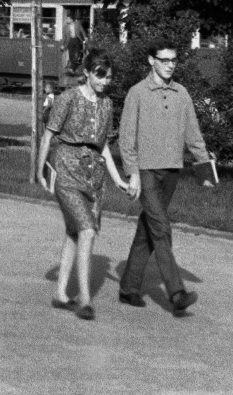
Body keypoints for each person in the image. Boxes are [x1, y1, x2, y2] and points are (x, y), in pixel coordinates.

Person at [117, 45, 211, 316]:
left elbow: (194, 134)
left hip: (172, 170)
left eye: (174, 60)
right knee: (161, 226)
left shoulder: (181, 93)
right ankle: (176, 292)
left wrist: (204, 170)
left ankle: (129, 287)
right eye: (164, 60)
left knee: (148, 228)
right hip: (146, 170)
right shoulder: (137, 93)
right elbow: (126, 137)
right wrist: (132, 172)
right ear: (151, 61)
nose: (170, 65)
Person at [35, 57, 131, 320]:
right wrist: (39, 170)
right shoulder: (67, 99)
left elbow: (102, 147)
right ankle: (85, 300)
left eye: (108, 77)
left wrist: (118, 179)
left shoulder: (107, 104)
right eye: (100, 75)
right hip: (66, 171)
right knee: (87, 230)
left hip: (94, 178)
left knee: (74, 233)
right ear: (87, 72)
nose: (104, 81)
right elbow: (49, 134)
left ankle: (61, 294)